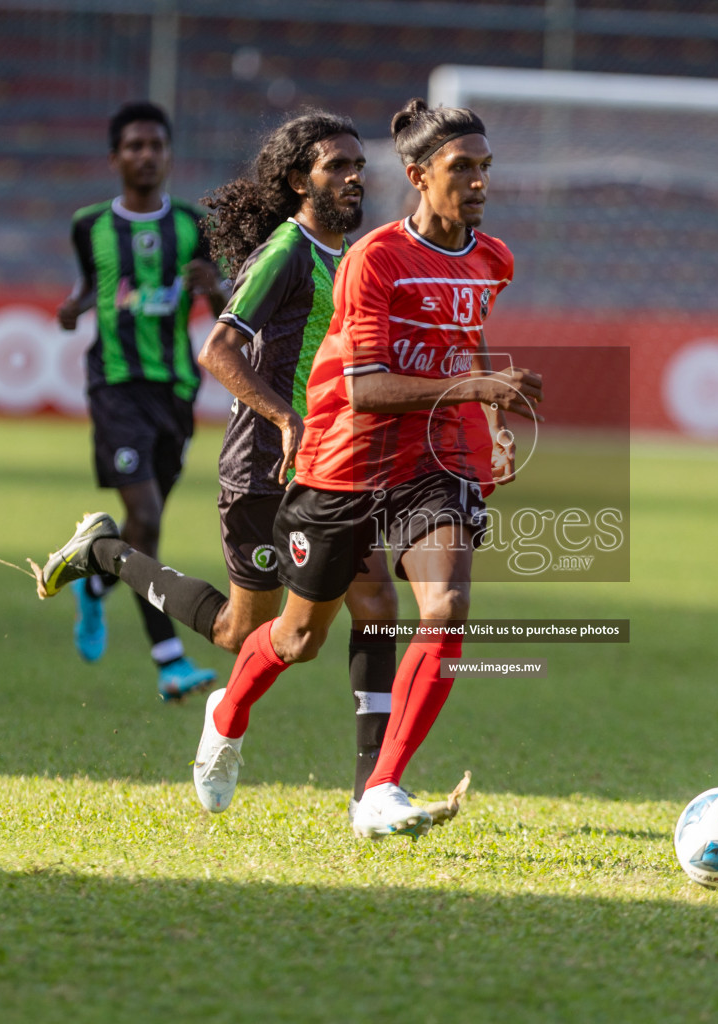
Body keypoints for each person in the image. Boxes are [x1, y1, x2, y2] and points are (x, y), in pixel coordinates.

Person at [32, 110, 469, 820]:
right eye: (337, 166)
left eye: (360, 164)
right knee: (247, 631)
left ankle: (372, 793)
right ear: (299, 181)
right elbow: (219, 350)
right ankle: (107, 552)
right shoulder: (285, 252)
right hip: (266, 466)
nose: (356, 176)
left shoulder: (358, 255)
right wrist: (284, 416)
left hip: (335, 466)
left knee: (376, 608)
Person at [189, 97, 542, 839]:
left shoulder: (493, 259)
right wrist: (476, 388)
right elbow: (364, 389)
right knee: (297, 640)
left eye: (485, 167)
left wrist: (490, 420)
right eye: (461, 168)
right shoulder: (373, 259)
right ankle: (228, 711)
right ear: (417, 174)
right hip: (342, 464)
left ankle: (382, 787)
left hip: (431, 460)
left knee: (443, 607)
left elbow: (464, 337)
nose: (479, 181)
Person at [55, 101, 226, 702]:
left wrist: (219, 286)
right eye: (134, 146)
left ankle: (96, 580)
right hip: (115, 385)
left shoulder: (191, 225)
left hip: (175, 390)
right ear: (115, 158)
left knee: (140, 530)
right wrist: (75, 306)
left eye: (156, 145)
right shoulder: (89, 226)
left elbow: (219, 292)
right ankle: (170, 659)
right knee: (147, 521)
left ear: (168, 155)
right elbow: (88, 284)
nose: (146, 155)